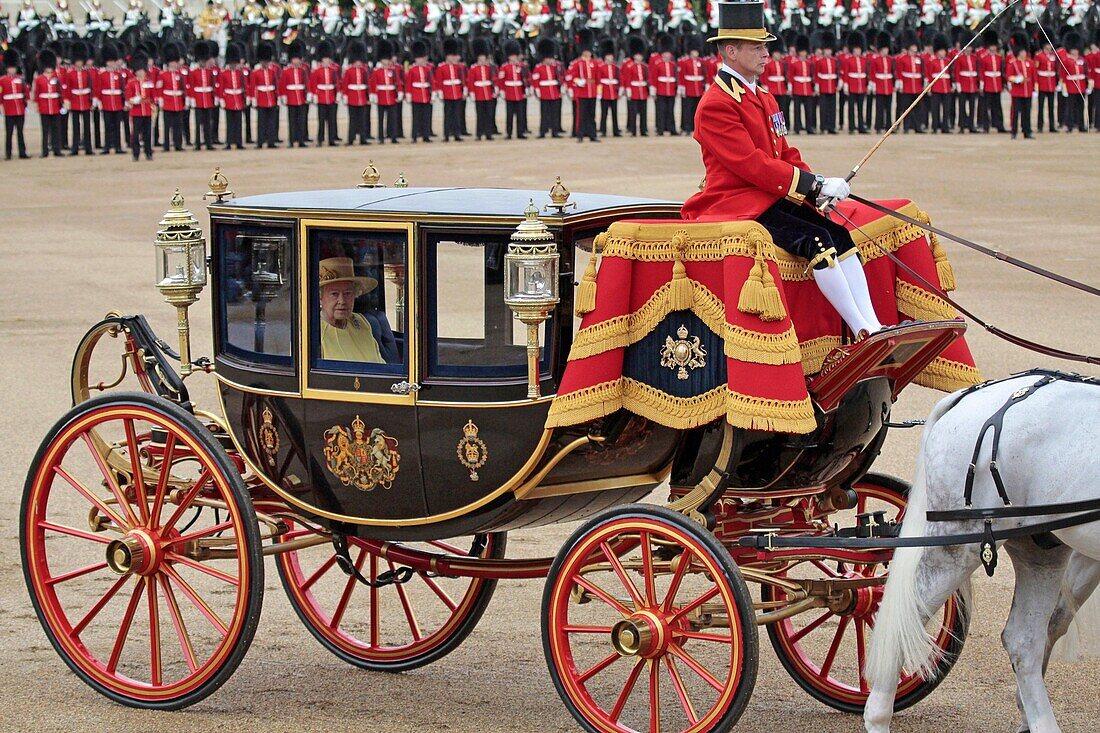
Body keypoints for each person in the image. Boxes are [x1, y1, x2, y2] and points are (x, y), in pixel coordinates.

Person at [682, 0, 884, 338]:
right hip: (737, 203)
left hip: (769, 197)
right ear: (731, 51)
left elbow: (784, 151)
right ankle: (860, 328)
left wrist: (818, 187)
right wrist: (810, 184)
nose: (766, 54)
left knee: (841, 235)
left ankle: (873, 324)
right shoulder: (716, 104)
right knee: (817, 240)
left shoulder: (762, 95)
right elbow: (751, 165)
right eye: (758, 47)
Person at [318, 257, 385, 363]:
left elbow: (380, 365)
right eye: (334, 294)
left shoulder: (361, 322)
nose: (342, 301)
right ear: (320, 298)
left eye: (347, 293)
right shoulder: (313, 331)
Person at [32, 49, 64, 157]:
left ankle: (57, 149)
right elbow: (37, 94)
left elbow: (60, 92)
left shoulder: (57, 78)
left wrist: (62, 104)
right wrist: (37, 105)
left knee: (56, 130)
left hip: (55, 107)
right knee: (45, 131)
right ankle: (45, 151)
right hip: (44, 107)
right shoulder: (39, 79)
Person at [124, 50, 156, 160]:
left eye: (142, 70)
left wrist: (152, 105)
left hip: (147, 110)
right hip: (136, 111)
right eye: (139, 71)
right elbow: (128, 98)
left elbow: (153, 97)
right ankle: (135, 154)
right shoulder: (131, 83)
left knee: (148, 134)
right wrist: (135, 100)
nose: (141, 72)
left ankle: (148, 152)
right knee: (136, 134)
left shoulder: (149, 82)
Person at [309, 39, 340, 146]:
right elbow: (313, 84)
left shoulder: (333, 71)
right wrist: (313, 95)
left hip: (331, 97)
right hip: (321, 97)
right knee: (321, 121)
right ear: (321, 60)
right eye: (325, 59)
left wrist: (338, 94)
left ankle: (331, 139)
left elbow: (336, 83)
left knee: (331, 120)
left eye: (328, 59)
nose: (327, 61)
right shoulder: (317, 71)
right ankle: (320, 139)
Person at [1005, 32, 1036, 139]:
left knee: (1027, 113)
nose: (1024, 53)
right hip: (1017, 91)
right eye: (1022, 52)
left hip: (1027, 91)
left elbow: (1033, 77)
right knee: (1016, 114)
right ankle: (1014, 132)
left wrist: (1034, 90)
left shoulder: (1030, 63)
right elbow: (1009, 76)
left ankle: (1027, 131)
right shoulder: (1013, 63)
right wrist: (1016, 79)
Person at [1, 50, 30, 160]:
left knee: (20, 132)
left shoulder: (21, 79)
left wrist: (25, 104)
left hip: (20, 109)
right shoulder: (2, 80)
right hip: (9, 110)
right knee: (9, 133)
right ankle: (8, 153)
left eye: (13, 67)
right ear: (7, 68)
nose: (12, 69)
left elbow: (26, 93)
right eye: (10, 67)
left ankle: (22, 152)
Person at [531, 38, 563, 137]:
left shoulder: (555, 67)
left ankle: (555, 131)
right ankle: (543, 131)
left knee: (555, 114)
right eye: (548, 58)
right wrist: (537, 90)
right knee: (544, 114)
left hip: (554, 92)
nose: (550, 60)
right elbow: (535, 80)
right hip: (544, 93)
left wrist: (561, 89)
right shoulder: (538, 67)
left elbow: (560, 78)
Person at [405, 39, 434, 142]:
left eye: (422, 58)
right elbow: (409, 83)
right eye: (418, 58)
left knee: (426, 117)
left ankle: (425, 135)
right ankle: (414, 136)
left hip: (425, 95)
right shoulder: (412, 70)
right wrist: (408, 94)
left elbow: (431, 82)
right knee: (416, 117)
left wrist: (433, 94)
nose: (420, 60)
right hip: (416, 95)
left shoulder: (428, 69)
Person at [596, 38, 621, 136]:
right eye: (608, 56)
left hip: (613, 93)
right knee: (604, 113)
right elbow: (598, 81)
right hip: (605, 93)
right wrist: (599, 93)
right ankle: (603, 130)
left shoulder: (615, 67)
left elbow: (619, 79)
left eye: (611, 56)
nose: (610, 58)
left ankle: (616, 130)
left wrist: (619, 90)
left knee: (615, 114)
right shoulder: (601, 67)